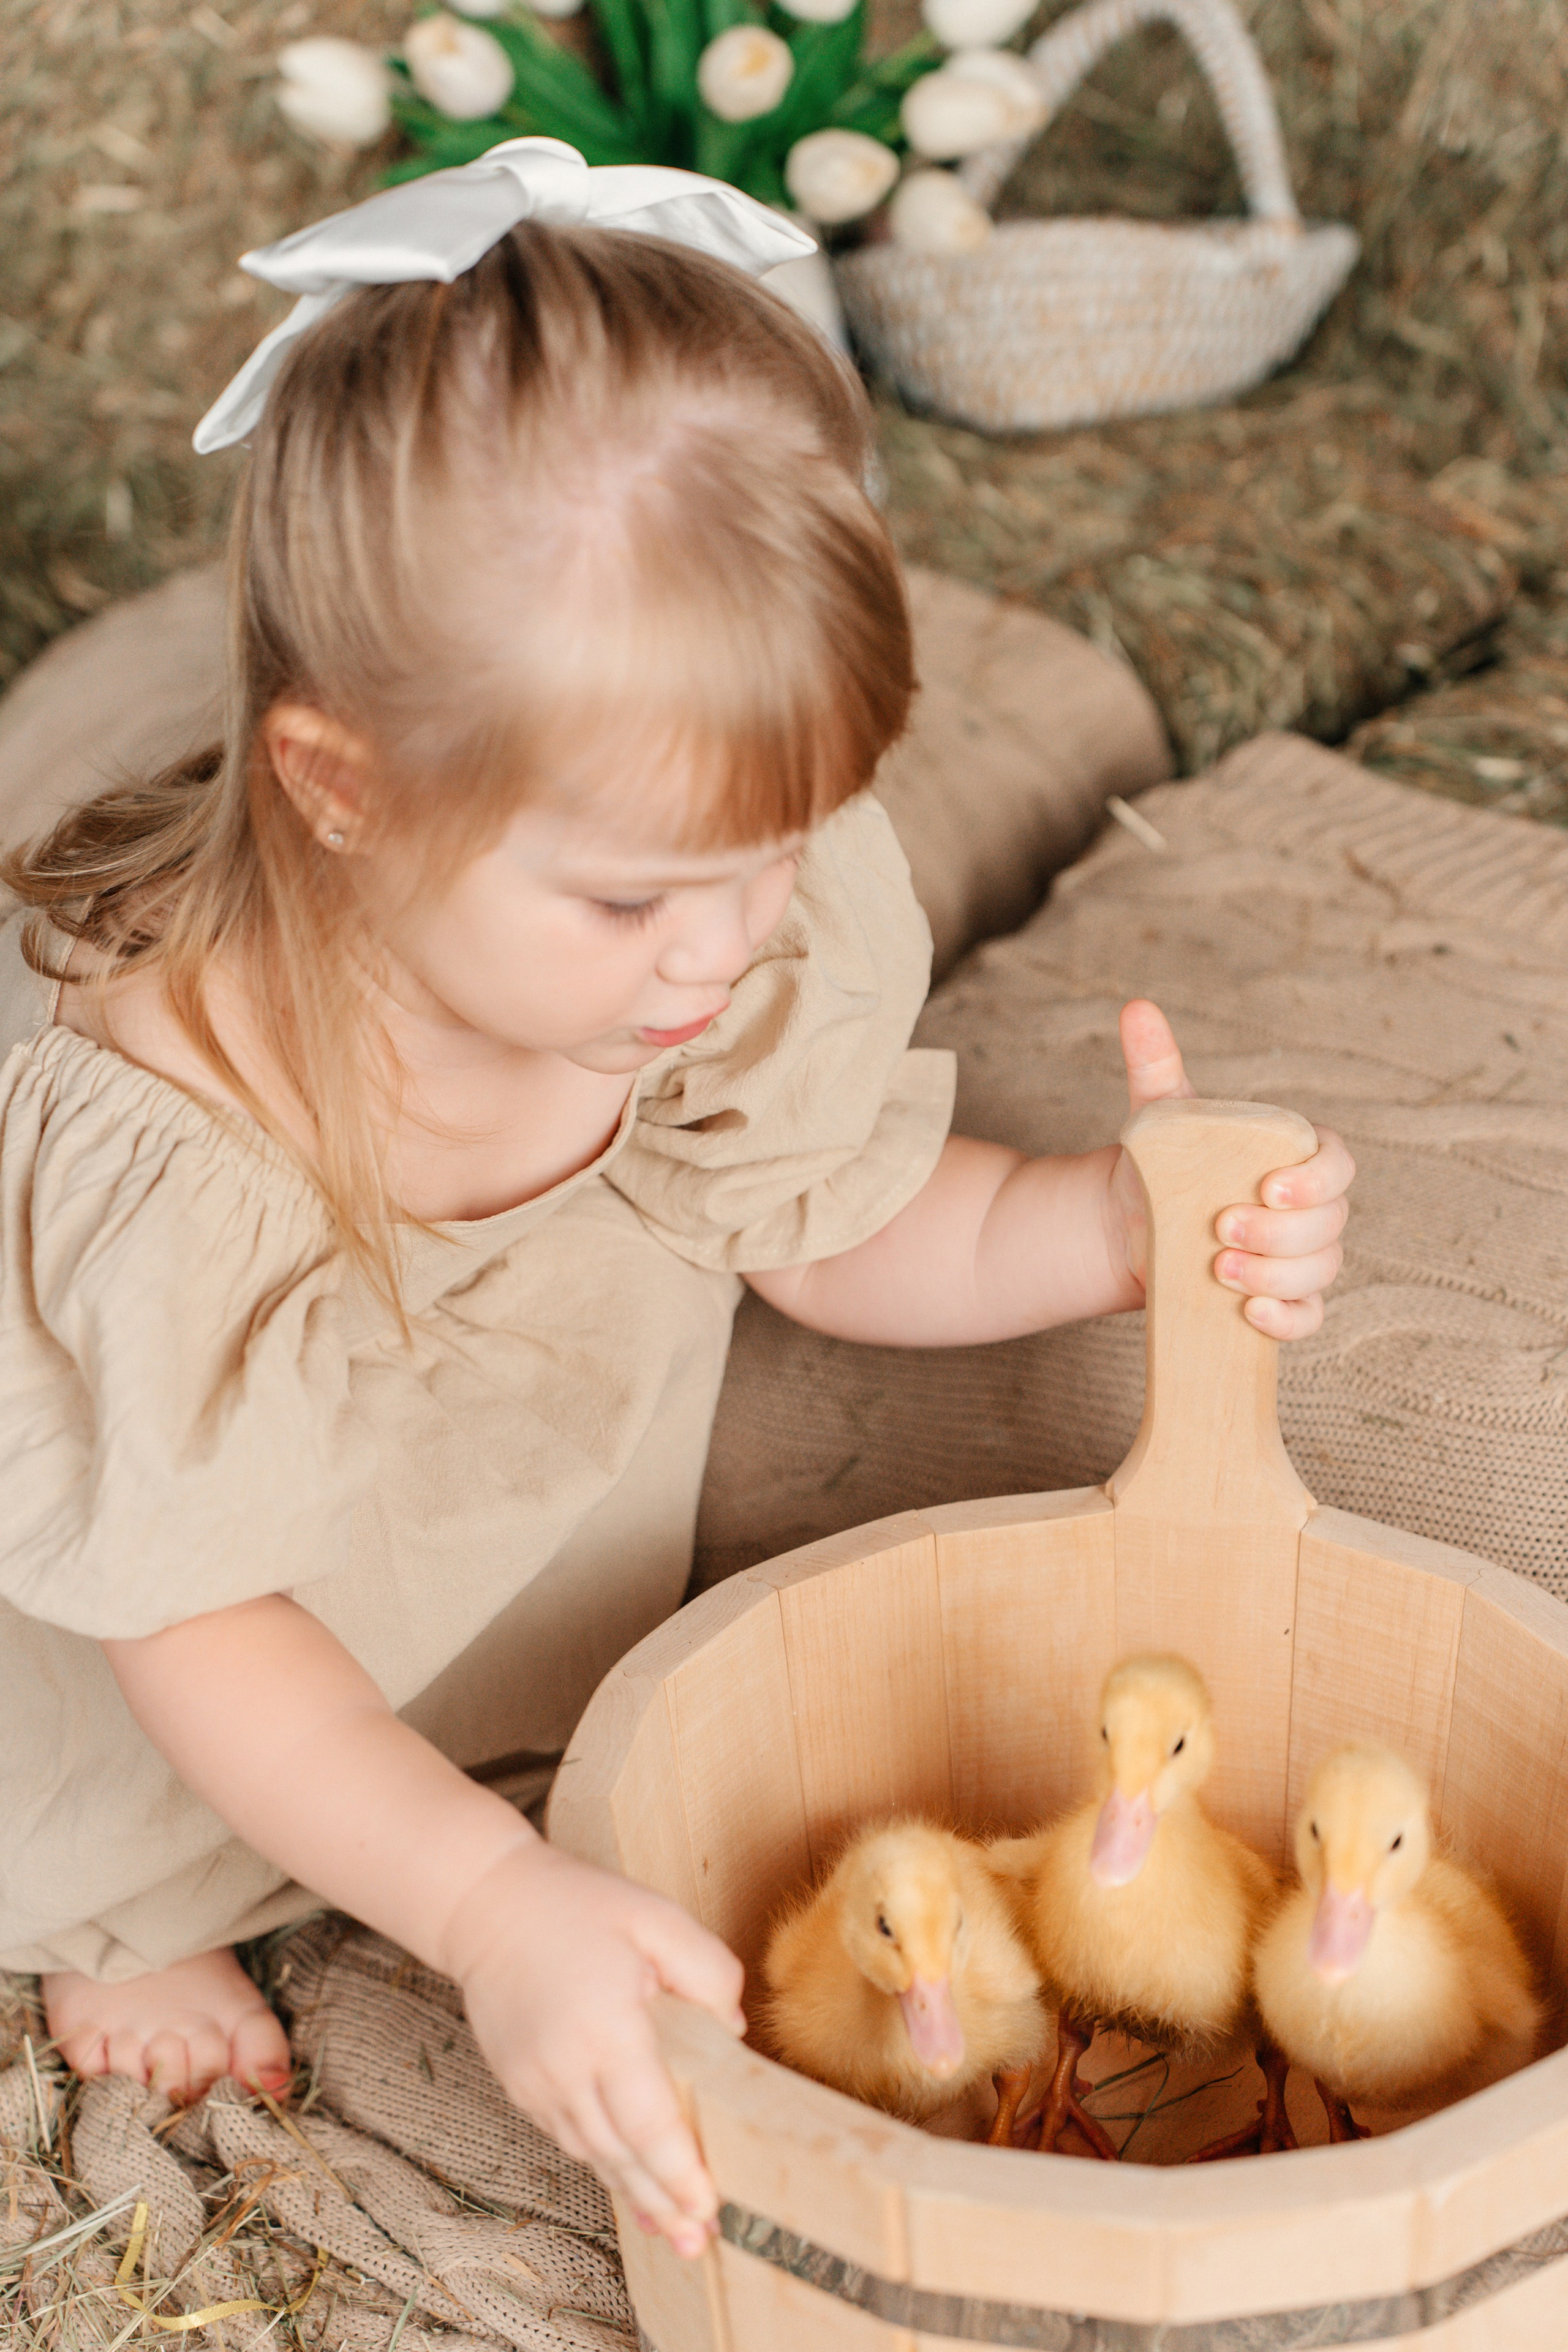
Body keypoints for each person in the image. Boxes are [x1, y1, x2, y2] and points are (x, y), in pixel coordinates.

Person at [0, 141, 1352, 2260]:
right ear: (339, 789)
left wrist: (1110, 1232)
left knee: (529, 1704)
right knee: (156, 1801)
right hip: (174, 1662)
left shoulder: (706, 931)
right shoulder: (179, 1135)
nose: (721, 954)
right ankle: (119, 1913)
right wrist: (485, 1900)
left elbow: (816, 1221)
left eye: (778, 850)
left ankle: (467, 1757)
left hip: (460, 1583)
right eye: (639, 892)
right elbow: (195, 1620)